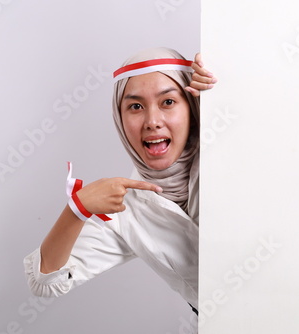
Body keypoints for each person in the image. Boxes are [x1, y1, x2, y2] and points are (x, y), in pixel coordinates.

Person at [23, 47, 216, 318]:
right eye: (135, 106)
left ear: (191, 106)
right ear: (119, 117)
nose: (152, 121)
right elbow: (45, 281)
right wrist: (77, 210)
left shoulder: (227, 154)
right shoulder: (124, 210)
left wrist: (229, 81)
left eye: (168, 102)